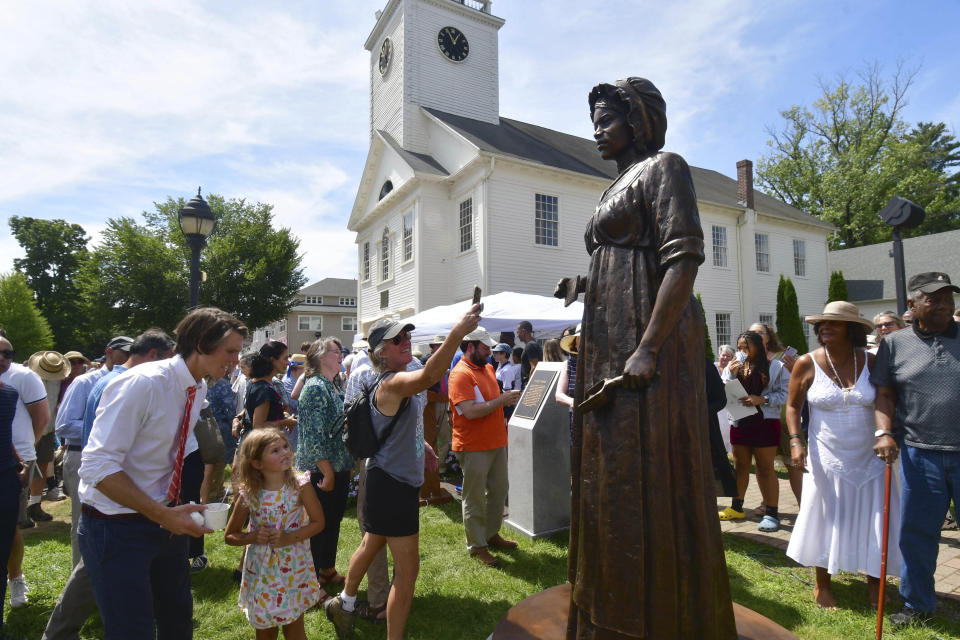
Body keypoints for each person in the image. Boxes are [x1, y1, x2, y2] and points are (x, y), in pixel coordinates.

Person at [554, 77, 736, 639]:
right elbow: (632, 259)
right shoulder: (617, 185)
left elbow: (682, 261)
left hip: (644, 346)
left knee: (643, 466)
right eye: (596, 122)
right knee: (608, 469)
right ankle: (605, 601)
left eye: (606, 120)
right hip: (610, 338)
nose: (597, 132)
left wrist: (649, 350)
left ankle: (652, 609)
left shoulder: (666, 168)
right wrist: (588, 280)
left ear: (637, 121)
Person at [77, 307, 246, 638]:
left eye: (239, 352)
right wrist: (161, 513)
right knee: (132, 630)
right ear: (200, 343)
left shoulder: (197, 388)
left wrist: (176, 510)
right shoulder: (143, 384)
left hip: (163, 523)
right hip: (115, 527)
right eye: (231, 351)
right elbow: (97, 466)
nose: (236, 360)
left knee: (178, 623)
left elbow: (168, 454)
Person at [325, 308, 480, 640]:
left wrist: (421, 444)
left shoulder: (391, 382)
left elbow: (399, 425)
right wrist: (458, 332)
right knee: (408, 573)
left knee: (370, 542)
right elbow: (428, 378)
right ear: (382, 351)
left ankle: (345, 603)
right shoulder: (393, 382)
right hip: (393, 486)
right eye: (398, 339)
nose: (406, 341)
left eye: (407, 336)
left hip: (388, 481)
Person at [42, 329, 176, 640]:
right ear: (153, 356)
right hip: (100, 476)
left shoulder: (123, 382)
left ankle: (62, 630)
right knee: (92, 558)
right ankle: (63, 630)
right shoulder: (100, 383)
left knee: (93, 563)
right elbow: (65, 426)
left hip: (112, 478)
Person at [784, 301, 898, 609]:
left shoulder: (871, 361)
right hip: (826, 456)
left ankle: (875, 585)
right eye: (822, 324)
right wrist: (796, 440)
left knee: (876, 519)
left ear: (852, 329)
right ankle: (822, 585)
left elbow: (885, 399)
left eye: (833, 323)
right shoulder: (807, 362)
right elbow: (793, 405)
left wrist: (886, 434)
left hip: (869, 456)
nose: (824, 328)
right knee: (825, 517)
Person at [872, 272, 960, 628]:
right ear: (913, 304)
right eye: (933, 298)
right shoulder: (895, 345)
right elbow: (884, 394)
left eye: (948, 298)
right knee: (917, 533)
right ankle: (918, 604)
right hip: (918, 453)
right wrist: (883, 432)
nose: (943, 304)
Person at [225, 428, 324, 639]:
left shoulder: (300, 486)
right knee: (265, 630)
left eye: (286, 446)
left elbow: (318, 523)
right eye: (275, 450)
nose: (285, 452)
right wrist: (252, 536)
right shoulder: (249, 493)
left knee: (294, 629)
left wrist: (289, 537)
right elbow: (230, 535)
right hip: (261, 573)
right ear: (257, 463)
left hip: (293, 571)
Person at [54, 336, 131, 562]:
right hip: (81, 455)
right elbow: (64, 424)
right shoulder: (85, 382)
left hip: (115, 461)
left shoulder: (131, 380)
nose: (129, 356)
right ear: (109, 352)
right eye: (124, 352)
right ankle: (79, 583)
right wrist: (104, 425)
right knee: (84, 522)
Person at [448, 328, 521, 567]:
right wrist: (502, 399)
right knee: (475, 496)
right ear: (470, 346)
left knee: (499, 490)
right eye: (485, 347)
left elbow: (489, 402)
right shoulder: (460, 374)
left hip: (496, 442)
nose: (490, 351)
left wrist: (503, 400)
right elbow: (469, 411)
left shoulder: (488, 368)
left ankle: (491, 534)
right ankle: (478, 546)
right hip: (473, 446)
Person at [296, 337, 353, 595]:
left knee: (333, 521)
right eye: (336, 351)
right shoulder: (316, 387)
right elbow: (313, 435)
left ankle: (326, 569)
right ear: (320, 356)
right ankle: (311, 582)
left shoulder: (331, 384)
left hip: (337, 467)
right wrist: (328, 472)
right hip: (320, 471)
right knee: (318, 526)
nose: (341, 355)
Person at [719, 330, 789, 532]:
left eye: (746, 347)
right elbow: (724, 388)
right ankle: (737, 507)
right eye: (739, 348)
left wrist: (763, 399)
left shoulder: (776, 367)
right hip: (740, 421)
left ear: (760, 346)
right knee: (740, 466)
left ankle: (771, 513)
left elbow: (785, 393)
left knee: (765, 468)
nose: (741, 352)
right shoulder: (735, 366)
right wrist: (730, 374)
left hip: (765, 422)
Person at [0, 335, 49, 609]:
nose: (4, 359)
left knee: (10, 526)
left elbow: (41, 418)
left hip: (14, 464)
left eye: (8, 353)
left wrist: (24, 454)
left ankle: (15, 579)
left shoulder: (22, 378)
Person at [748, 322, 801, 507]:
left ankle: (805, 507)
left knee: (794, 466)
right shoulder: (746, 358)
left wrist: (796, 369)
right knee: (764, 466)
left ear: (769, 336)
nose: (755, 335)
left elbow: (802, 382)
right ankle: (768, 503)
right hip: (761, 421)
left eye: (760, 332)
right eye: (751, 332)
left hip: (785, 419)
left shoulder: (783, 357)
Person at [25, 351, 71, 523]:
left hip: (48, 428)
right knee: (25, 467)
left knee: (43, 466)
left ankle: (34, 504)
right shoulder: (29, 378)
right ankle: (21, 509)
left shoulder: (60, 380)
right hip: (28, 429)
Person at [0, 377, 22, 636]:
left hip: (5, 480)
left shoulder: (10, 394)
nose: (4, 358)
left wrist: (18, 462)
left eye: (9, 353)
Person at [247, 341, 297, 436]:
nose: (288, 363)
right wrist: (285, 422)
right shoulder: (264, 390)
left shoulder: (255, 383)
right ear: (272, 360)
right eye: (285, 358)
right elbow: (258, 426)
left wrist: (283, 416)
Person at [515, 321, 541, 389]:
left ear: (523, 331)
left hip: (529, 385)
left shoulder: (530, 345)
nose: (517, 335)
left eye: (518, 332)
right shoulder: (532, 344)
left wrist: (529, 387)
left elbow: (534, 367)